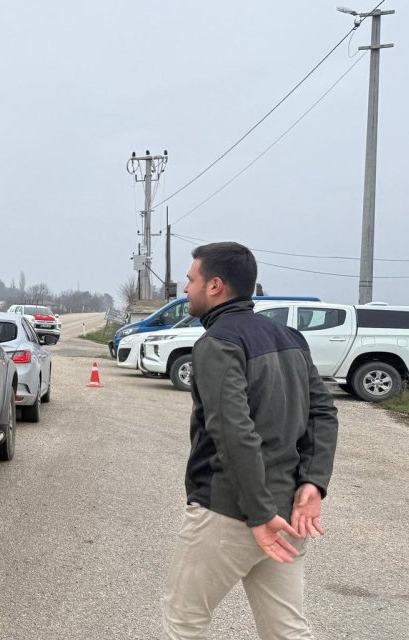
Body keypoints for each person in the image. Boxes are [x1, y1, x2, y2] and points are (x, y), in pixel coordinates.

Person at [161, 242, 338, 639]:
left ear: (215, 286)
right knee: (286, 629)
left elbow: (234, 432)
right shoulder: (290, 337)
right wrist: (312, 482)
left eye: (191, 280)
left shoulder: (217, 344)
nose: (185, 289)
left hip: (231, 511)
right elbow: (323, 413)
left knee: (184, 620)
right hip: (286, 511)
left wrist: (257, 514)